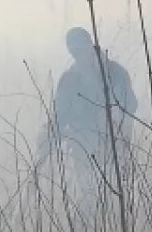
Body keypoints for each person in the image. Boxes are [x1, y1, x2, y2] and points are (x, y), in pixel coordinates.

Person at [40, 26, 138, 169]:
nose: (79, 55)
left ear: (90, 46)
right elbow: (60, 117)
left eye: (81, 49)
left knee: (118, 186)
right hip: (84, 152)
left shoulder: (115, 72)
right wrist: (47, 139)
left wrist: (114, 114)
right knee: (88, 189)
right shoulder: (69, 80)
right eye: (74, 52)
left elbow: (131, 104)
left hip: (116, 148)